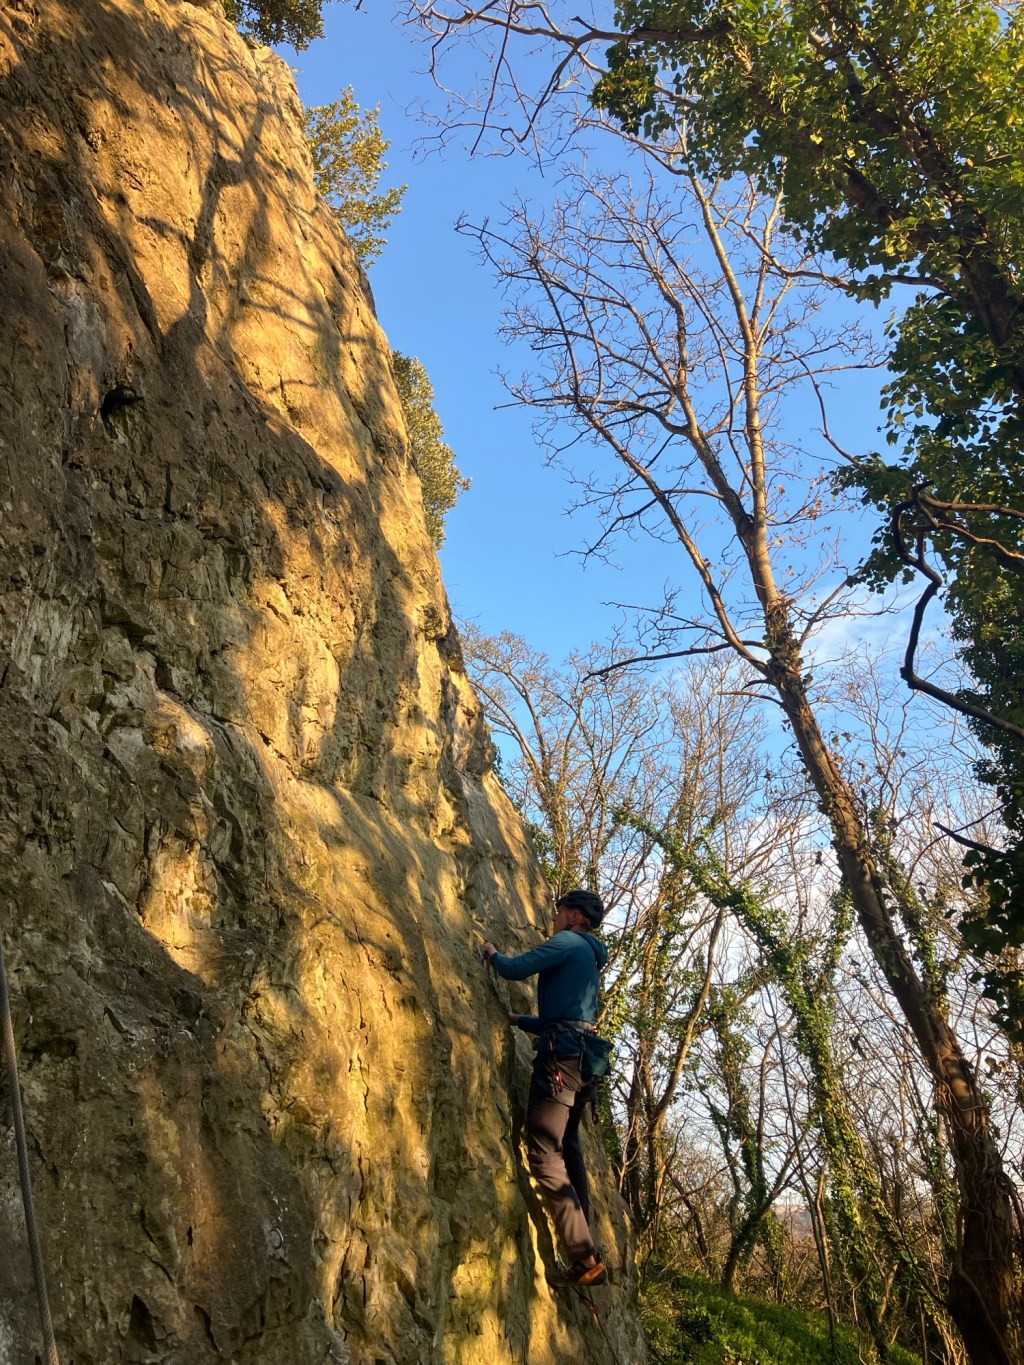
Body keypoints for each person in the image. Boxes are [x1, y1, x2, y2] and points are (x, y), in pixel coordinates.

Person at [481, 888, 609, 1288]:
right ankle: (585, 1240)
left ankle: (585, 1258)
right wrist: (523, 1021)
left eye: (559, 912)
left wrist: (491, 953)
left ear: (574, 916)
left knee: (542, 1150)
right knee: (569, 1149)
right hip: (582, 1060)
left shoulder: (567, 941)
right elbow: (570, 1017)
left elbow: (515, 969)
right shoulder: (590, 955)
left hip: (560, 1060)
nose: (553, 919)